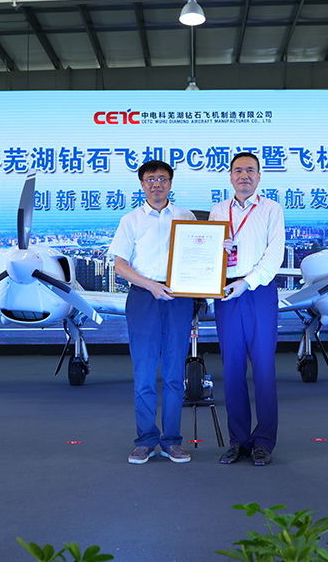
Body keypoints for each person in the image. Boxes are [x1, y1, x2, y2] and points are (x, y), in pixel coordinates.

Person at [108, 160, 195, 464]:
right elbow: (120, 265)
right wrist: (150, 285)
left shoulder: (186, 217)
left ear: (170, 183)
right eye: (150, 179)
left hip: (178, 299)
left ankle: (171, 441)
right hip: (143, 298)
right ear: (142, 185)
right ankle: (145, 440)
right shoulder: (130, 220)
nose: (156, 184)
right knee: (144, 373)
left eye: (162, 178)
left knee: (174, 374)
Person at [210, 152, 285, 466]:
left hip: (258, 292)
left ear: (259, 176)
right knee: (232, 370)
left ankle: (264, 442)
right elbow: (208, 253)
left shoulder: (271, 209)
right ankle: (238, 441)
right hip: (226, 293)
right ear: (230, 177)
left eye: (250, 171)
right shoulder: (218, 210)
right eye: (238, 171)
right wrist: (217, 250)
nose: (244, 176)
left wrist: (247, 282)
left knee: (264, 369)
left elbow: (274, 256)